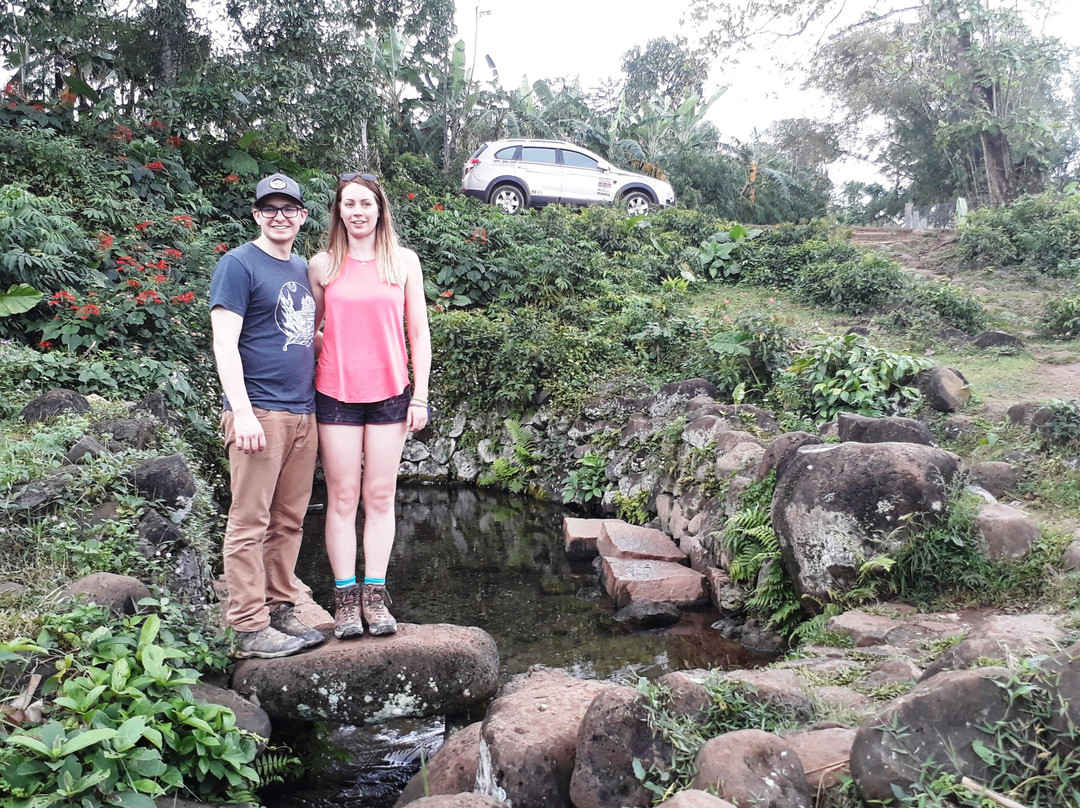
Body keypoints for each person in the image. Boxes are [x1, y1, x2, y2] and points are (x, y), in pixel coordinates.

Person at [308, 172, 431, 639]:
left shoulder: (403, 262)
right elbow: (309, 331)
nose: (357, 211)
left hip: (392, 395)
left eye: (366, 203)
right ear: (338, 211)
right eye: (349, 204)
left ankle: (375, 599)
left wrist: (420, 395)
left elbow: (418, 333)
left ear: (380, 209)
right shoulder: (322, 265)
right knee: (341, 498)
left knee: (379, 497)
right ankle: (344, 601)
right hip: (335, 394)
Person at [209, 172, 327, 659]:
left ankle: (278, 607)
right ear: (257, 215)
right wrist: (243, 413)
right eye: (269, 209)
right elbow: (224, 342)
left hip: (304, 411)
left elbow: (305, 337)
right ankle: (246, 625)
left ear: (301, 216)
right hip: (259, 411)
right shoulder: (238, 264)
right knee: (248, 520)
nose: (280, 217)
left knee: (289, 521)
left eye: (289, 209)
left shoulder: (302, 267)